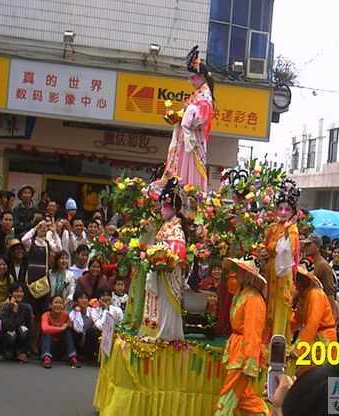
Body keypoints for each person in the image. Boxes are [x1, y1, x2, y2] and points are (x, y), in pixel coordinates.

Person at [215, 255, 268, 416]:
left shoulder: (254, 300)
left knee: (228, 396)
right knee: (245, 399)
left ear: (248, 275)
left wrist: (250, 361)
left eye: (240, 270)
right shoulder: (242, 294)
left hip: (243, 355)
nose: (236, 273)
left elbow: (253, 334)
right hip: (237, 350)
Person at [163, 45, 214, 191]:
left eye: (193, 78)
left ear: (202, 77)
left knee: (189, 175)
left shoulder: (205, 96)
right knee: (181, 172)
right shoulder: (198, 95)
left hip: (192, 141)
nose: (191, 82)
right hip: (186, 140)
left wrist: (186, 115)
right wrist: (178, 117)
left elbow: (200, 117)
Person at [141, 178, 186, 340]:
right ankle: (157, 330)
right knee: (157, 302)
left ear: (173, 208)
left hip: (168, 271)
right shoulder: (165, 227)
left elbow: (179, 250)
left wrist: (163, 254)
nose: (161, 210)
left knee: (166, 303)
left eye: (164, 207)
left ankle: (166, 333)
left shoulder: (176, 228)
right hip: (160, 270)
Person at [259, 179, 301, 341]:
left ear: (293, 212)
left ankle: (278, 345)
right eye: (281, 208)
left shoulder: (292, 229)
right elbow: (266, 247)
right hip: (269, 274)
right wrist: (264, 253)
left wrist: (283, 235)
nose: (283, 212)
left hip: (283, 277)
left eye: (287, 209)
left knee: (280, 309)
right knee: (267, 306)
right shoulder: (272, 228)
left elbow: (287, 250)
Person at [290, 258, 336, 375]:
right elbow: (296, 320)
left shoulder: (315, 294)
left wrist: (299, 349)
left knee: (319, 376)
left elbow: (312, 324)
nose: (296, 281)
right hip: (314, 339)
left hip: (324, 339)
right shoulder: (304, 295)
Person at [21, 218, 54, 353]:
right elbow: (23, 239)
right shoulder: (31, 243)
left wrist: (54, 231)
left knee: (41, 314)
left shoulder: (47, 243)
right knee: (30, 313)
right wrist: (34, 228)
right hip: (31, 281)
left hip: (43, 280)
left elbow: (58, 248)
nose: (43, 229)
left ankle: (36, 344)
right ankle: (26, 344)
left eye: (44, 228)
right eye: (41, 227)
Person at [301, 234, 338, 322]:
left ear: (317, 246)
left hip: (319, 309)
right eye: (305, 245)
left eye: (309, 245)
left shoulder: (323, 265)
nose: (306, 247)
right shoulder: (305, 263)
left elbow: (330, 292)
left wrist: (330, 317)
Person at [40, 294, 80, 368]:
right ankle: (46, 357)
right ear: (50, 305)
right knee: (47, 332)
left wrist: (71, 325)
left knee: (67, 331)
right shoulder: (46, 315)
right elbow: (44, 328)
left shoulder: (66, 315)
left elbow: (73, 326)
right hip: (48, 345)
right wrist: (61, 328)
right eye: (56, 302)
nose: (58, 305)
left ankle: (72, 357)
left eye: (60, 303)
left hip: (60, 347)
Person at [0, 282, 32, 362]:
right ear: (10, 294)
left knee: (23, 330)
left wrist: (25, 351)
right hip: (8, 336)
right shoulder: (4, 308)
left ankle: (20, 351)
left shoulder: (27, 307)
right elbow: (10, 327)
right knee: (12, 333)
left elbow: (30, 329)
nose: (19, 294)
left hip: (19, 335)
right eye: (16, 291)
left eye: (21, 292)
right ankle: (8, 351)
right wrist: (14, 312)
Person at [69, 291, 98, 361]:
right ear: (76, 302)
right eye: (81, 298)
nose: (84, 300)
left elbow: (96, 325)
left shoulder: (92, 311)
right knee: (73, 331)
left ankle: (91, 355)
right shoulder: (72, 314)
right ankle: (76, 354)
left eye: (86, 298)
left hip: (88, 340)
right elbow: (78, 329)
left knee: (93, 331)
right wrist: (78, 312)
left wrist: (84, 335)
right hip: (78, 340)